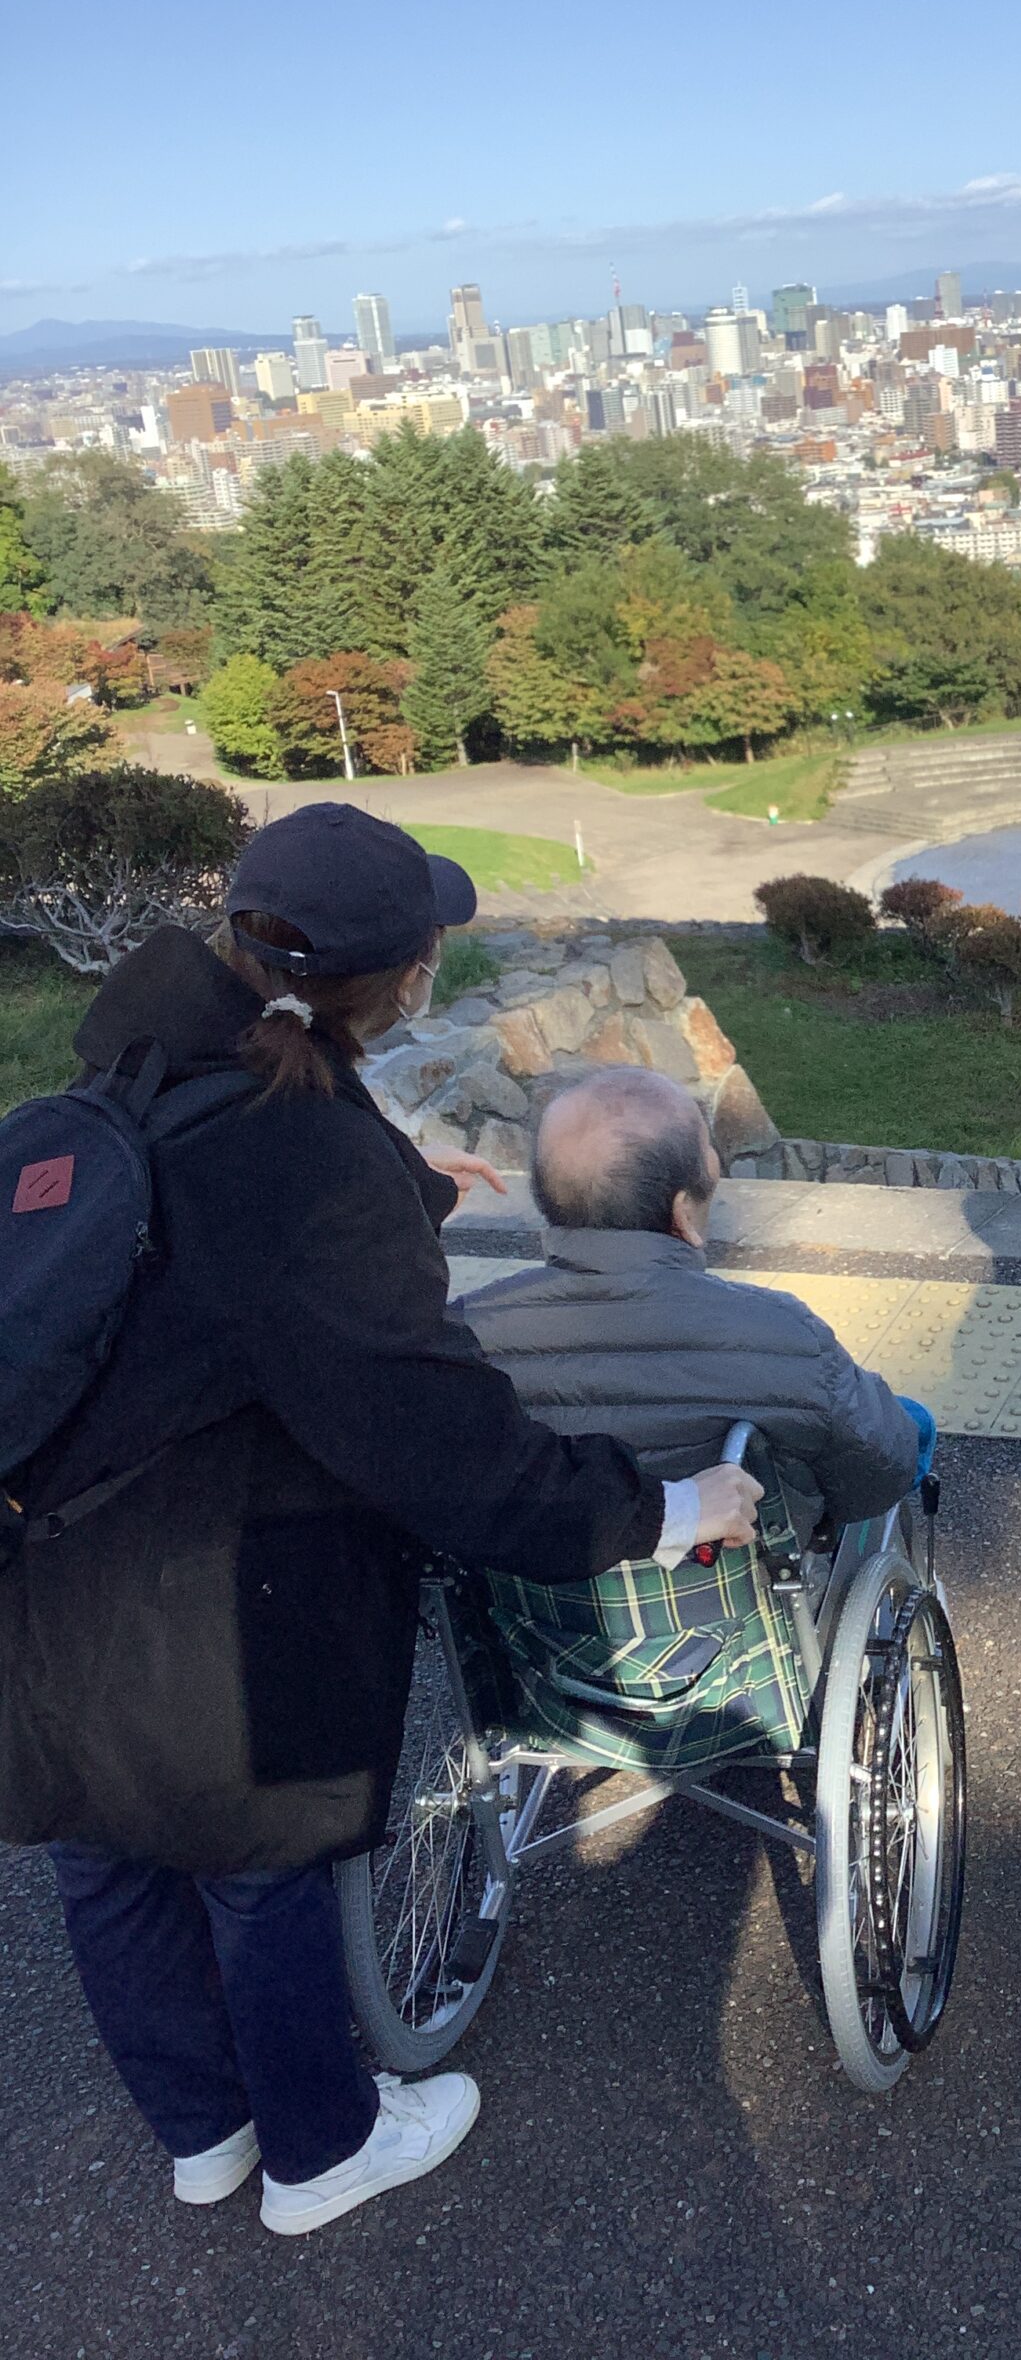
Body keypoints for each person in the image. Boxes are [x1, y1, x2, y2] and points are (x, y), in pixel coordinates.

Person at [0, 806, 760, 2238]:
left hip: (48, 1574)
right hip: (226, 1590)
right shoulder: (307, 1163)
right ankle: (322, 2153)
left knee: (105, 1858)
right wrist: (663, 1509)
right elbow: (447, 1447)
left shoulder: (140, 1056)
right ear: (405, 981)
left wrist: (400, 1188)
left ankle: (205, 2134)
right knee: (259, 1867)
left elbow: (204, 1240)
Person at [458, 1067, 928, 1526]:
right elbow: (879, 1478)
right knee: (906, 1424)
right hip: (740, 1565)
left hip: (528, 1571)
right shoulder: (785, 1335)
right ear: (682, 1212)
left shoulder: (458, 1335)